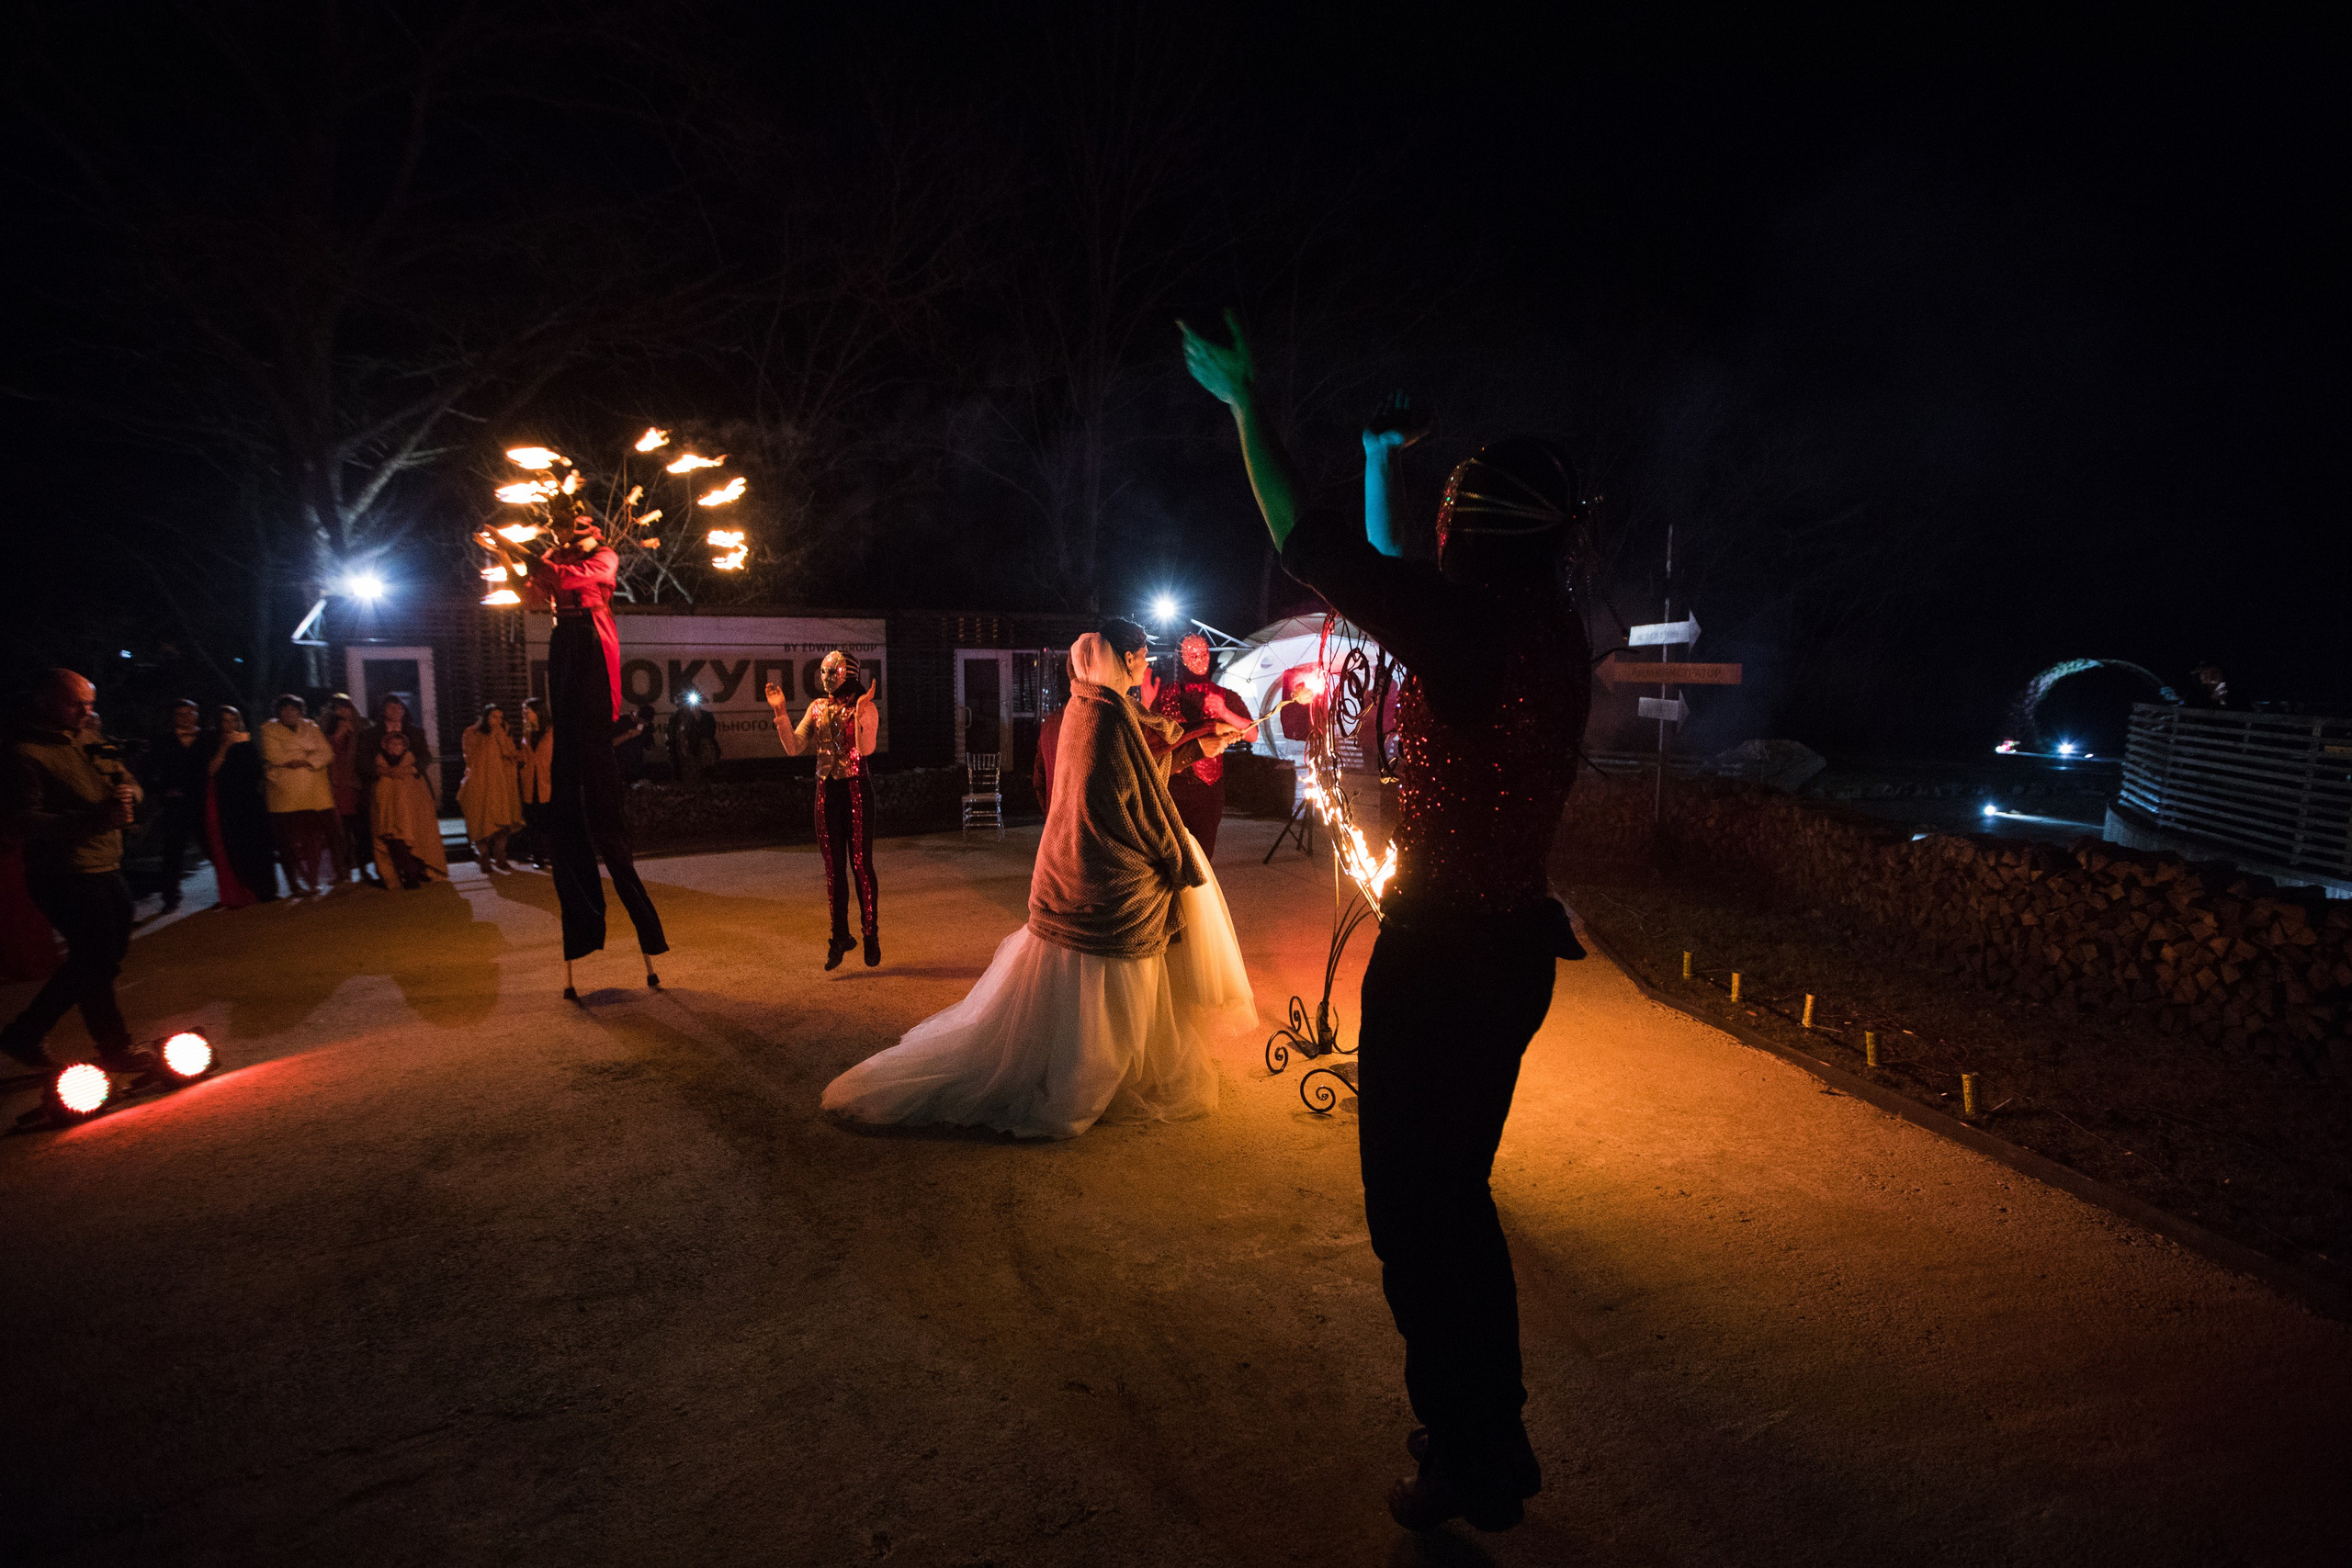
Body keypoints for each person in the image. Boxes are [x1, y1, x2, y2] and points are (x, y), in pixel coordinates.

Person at [1185, 312, 1591, 1534]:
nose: (1435, 535)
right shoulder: (1535, 623)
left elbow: (1320, 551)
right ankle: (1487, 1433)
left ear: (1473, 534)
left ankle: (1471, 1452)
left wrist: (1248, 405)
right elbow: (1388, 585)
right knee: (1450, 1203)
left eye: (1447, 517)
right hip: (1508, 946)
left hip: (1450, 961)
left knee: (1417, 1218)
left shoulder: (1475, 627)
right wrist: (1378, 459)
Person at [820, 631, 1252, 1137]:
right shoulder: (1108, 717)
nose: (1146, 668)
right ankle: (1090, 1075)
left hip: (1066, 867)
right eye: (1144, 659)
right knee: (1178, 888)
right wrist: (1171, 850)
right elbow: (1127, 798)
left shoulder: (1086, 707)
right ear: (1128, 659)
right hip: (1098, 874)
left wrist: (1200, 744)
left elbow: (1138, 773)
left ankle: (1107, 1065)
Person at [479, 498, 668, 985]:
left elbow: (564, 581)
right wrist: (502, 555)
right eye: (560, 529)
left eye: (570, 528)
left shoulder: (603, 557)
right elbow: (534, 597)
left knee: (592, 746)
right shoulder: (557, 557)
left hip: (592, 640)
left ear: (589, 529)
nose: (563, 535)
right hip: (565, 641)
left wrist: (514, 545)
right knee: (566, 748)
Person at [0, 669, 153, 1074]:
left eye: (91, 703)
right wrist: (93, 819)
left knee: (102, 957)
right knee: (95, 957)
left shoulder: (86, 737)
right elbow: (23, 822)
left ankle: (25, 1034)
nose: (87, 712)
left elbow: (126, 781)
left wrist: (128, 795)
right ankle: (114, 1047)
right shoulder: (24, 753)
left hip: (105, 861)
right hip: (64, 872)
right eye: (76, 704)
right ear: (44, 701)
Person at [765, 651, 883, 969]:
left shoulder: (865, 706)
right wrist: (779, 712)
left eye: (834, 671)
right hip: (826, 790)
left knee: (860, 863)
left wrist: (860, 713)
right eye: (824, 671)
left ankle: (870, 935)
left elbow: (866, 749)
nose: (828, 676)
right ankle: (839, 936)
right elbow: (794, 746)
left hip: (856, 788)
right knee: (834, 869)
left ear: (850, 673)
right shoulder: (816, 708)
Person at [1149, 633, 1255, 861]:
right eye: (1193, 654)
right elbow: (1151, 737)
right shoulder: (1166, 693)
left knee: (1203, 857)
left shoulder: (1224, 695)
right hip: (1171, 786)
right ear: (1182, 658)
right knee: (1171, 857)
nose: (1201, 659)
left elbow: (1253, 733)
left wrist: (1225, 712)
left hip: (1208, 791)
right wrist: (1147, 704)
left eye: (1204, 653)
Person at [258, 694, 337, 895]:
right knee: (288, 843)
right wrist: (308, 754)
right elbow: (273, 755)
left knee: (313, 838)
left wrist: (302, 760)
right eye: (285, 709)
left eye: (293, 709)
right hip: (284, 794)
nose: (289, 713)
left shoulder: (312, 727)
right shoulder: (268, 729)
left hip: (312, 793)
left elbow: (327, 753)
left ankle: (313, 879)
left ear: (300, 711)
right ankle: (294, 884)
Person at [204, 705, 277, 907]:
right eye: (225, 720)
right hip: (229, 801)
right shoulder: (212, 742)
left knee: (260, 843)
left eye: (233, 720)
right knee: (238, 845)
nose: (230, 724)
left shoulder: (246, 740)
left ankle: (266, 890)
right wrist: (225, 747)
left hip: (251, 799)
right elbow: (210, 771)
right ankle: (244, 891)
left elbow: (256, 770)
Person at [146, 698, 211, 911]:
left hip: (204, 800)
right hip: (177, 802)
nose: (185, 718)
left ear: (196, 714)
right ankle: (170, 897)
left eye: (189, 713)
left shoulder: (208, 738)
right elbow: (148, 771)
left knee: (214, 844)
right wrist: (163, 791)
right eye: (180, 714)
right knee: (173, 851)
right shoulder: (162, 741)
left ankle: (234, 890)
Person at [368, 728, 448, 887]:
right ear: (385, 746)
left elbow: (417, 794)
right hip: (389, 817)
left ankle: (417, 871)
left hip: (409, 815)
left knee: (413, 841)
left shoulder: (411, 768)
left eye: (399, 744)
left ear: (405, 747)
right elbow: (380, 793)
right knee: (396, 843)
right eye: (392, 743)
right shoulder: (381, 768)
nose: (396, 747)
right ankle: (406, 874)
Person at [458, 703, 525, 872]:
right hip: (480, 783)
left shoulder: (502, 732)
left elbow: (510, 753)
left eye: (500, 718)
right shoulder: (472, 733)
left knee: (502, 822)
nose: (498, 721)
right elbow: (470, 757)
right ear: (485, 717)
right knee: (481, 822)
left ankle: (501, 857)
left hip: (500, 784)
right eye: (494, 717)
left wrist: (501, 736)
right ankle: (484, 857)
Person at [320, 694, 369, 886]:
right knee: (339, 832)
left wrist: (351, 737)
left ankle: (364, 868)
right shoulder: (327, 734)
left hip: (355, 788)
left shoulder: (361, 730)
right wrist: (338, 736)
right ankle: (343, 870)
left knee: (360, 831)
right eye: (338, 708)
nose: (342, 712)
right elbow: (329, 759)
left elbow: (357, 760)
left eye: (345, 707)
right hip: (335, 788)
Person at [516, 697, 554, 868]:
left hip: (547, 783)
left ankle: (553, 856)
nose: (524, 714)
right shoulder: (527, 733)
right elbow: (524, 757)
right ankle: (538, 857)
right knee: (533, 823)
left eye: (527, 710)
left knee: (549, 823)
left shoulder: (552, 732)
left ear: (538, 712)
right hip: (530, 784)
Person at [614, 704, 654, 784]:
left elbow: (649, 745)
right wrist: (628, 735)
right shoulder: (621, 722)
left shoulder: (646, 726)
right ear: (638, 716)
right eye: (644, 721)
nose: (645, 724)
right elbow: (613, 742)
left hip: (637, 768)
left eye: (647, 722)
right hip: (621, 766)